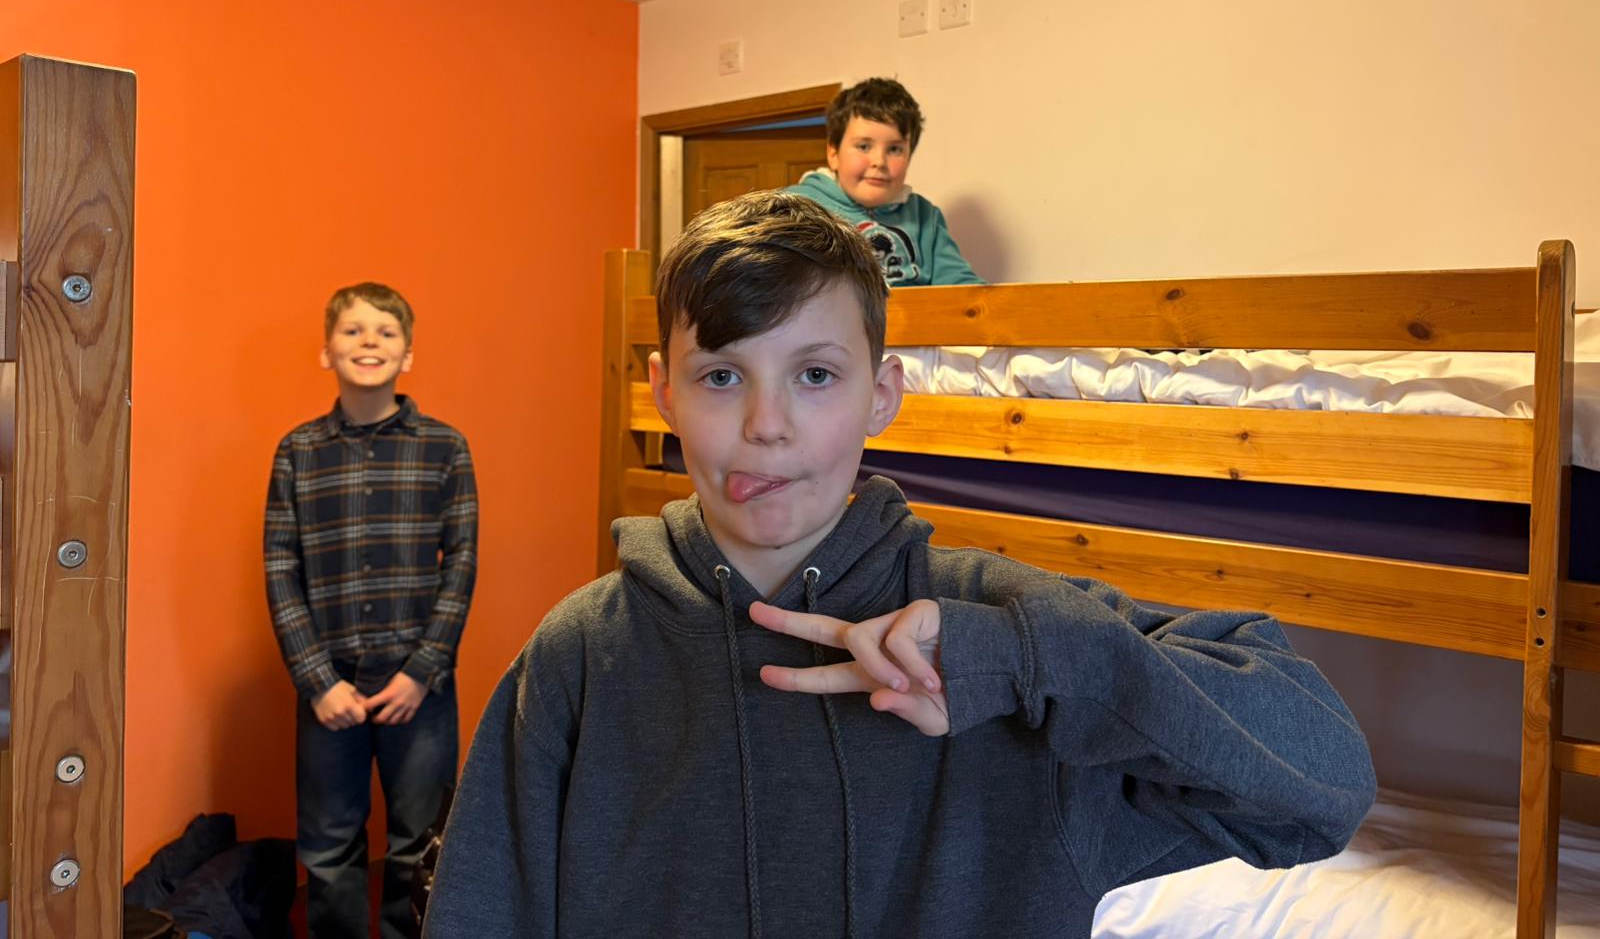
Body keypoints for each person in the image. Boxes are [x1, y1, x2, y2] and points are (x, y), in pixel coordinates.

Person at [423, 194, 1375, 938]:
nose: (765, 423)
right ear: (663, 391)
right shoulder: (581, 655)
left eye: (815, 375)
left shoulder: (1010, 631)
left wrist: (1023, 665)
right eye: (721, 375)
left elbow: (1321, 791)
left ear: (881, 396)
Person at [265, 282, 477, 939]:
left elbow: (462, 563)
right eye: (353, 331)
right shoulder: (298, 452)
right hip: (329, 682)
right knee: (328, 847)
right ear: (326, 351)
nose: (369, 343)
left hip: (419, 686)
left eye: (386, 333)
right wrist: (317, 682)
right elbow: (280, 570)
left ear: (407, 355)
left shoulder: (445, 448)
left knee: (421, 844)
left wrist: (422, 670)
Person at [787, 76, 983, 285]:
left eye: (895, 149)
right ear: (833, 154)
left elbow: (962, 288)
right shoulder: (796, 208)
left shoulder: (925, 216)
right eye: (863, 146)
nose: (879, 162)